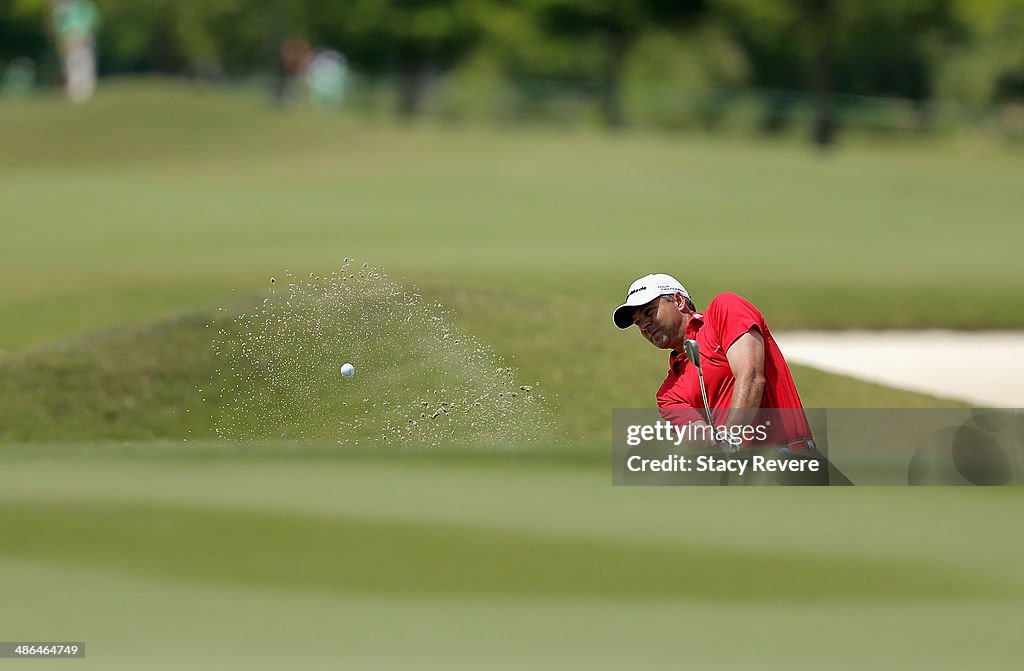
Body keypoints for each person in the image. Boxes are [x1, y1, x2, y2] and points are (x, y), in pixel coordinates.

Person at [612, 273, 821, 462]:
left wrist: (731, 435)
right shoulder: (668, 394)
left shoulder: (725, 310)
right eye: (637, 322)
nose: (644, 325)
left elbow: (752, 376)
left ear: (678, 300)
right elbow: (700, 438)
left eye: (649, 312)